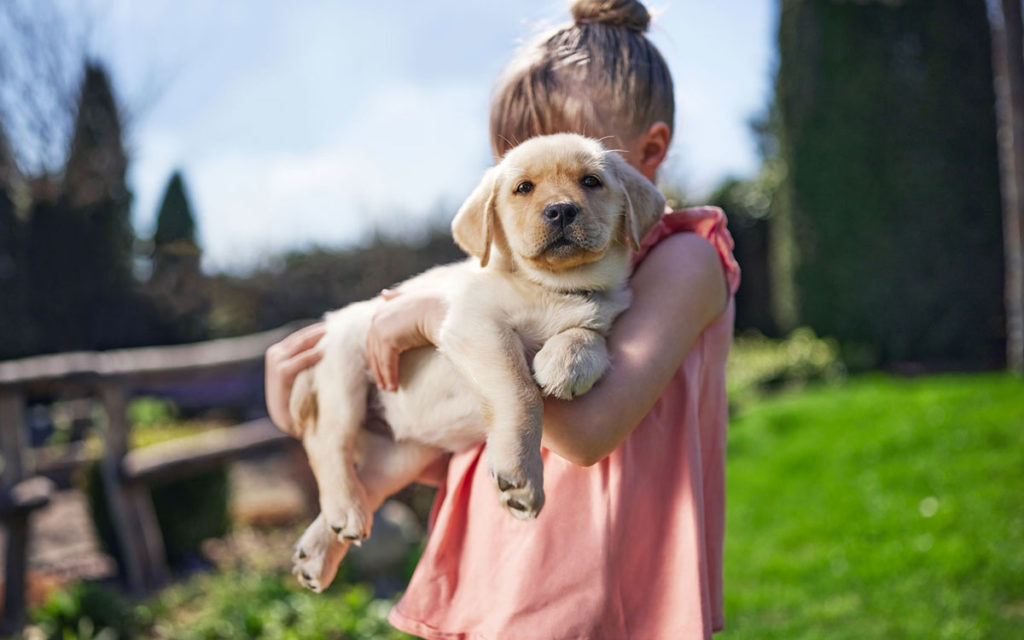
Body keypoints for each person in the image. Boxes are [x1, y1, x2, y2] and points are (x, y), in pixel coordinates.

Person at [265, 1, 740, 637]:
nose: (556, 205)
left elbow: (585, 431)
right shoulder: (507, 282)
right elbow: (451, 439)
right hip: (502, 573)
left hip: (608, 575)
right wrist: (297, 410)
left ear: (646, 156)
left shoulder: (686, 259)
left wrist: (440, 320)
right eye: (521, 180)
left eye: (584, 173)